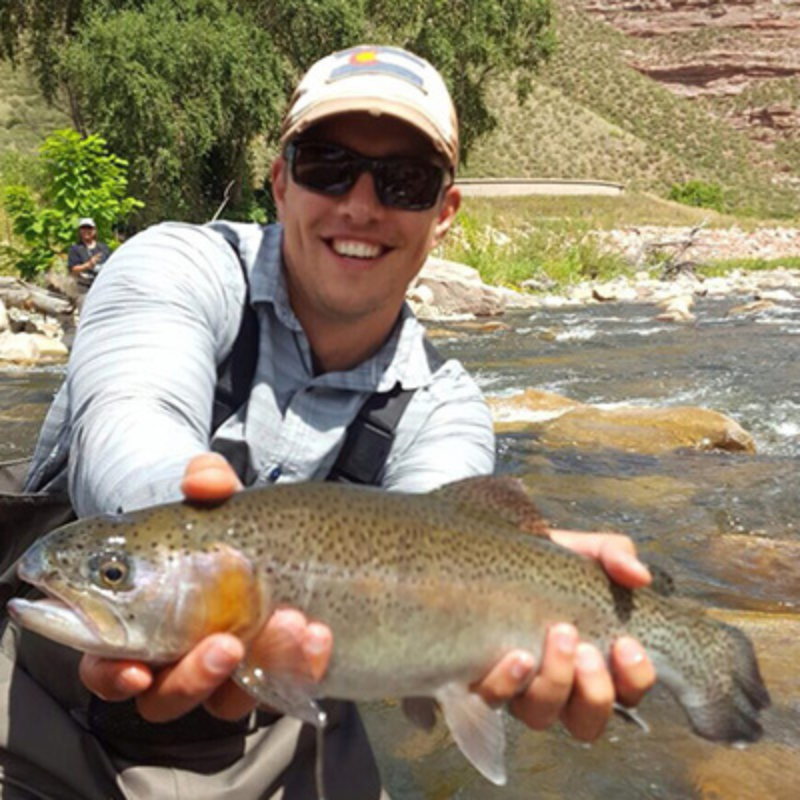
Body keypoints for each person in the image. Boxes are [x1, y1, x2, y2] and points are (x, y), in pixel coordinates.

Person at [2, 44, 656, 799]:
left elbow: (444, 547)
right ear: (279, 180)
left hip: (288, 723)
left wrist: (513, 603)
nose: (361, 205)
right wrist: (178, 533)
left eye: (405, 181)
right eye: (327, 165)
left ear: (443, 215)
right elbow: (129, 417)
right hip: (38, 702)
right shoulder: (175, 268)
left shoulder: (444, 408)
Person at [66, 216, 111, 295]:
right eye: (83, 228)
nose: (86, 231)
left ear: (94, 231)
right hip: (83, 287)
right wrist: (88, 265)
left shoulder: (104, 247)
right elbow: (73, 269)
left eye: (89, 228)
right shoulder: (75, 249)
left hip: (103, 284)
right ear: (79, 231)